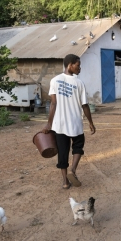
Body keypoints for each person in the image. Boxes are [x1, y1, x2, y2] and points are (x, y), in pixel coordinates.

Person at [42, 54, 96, 189]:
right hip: (75, 123)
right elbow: (85, 105)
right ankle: (73, 170)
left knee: (62, 152)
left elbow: (53, 104)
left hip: (59, 125)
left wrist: (49, 123)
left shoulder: (55, 80)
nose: (80, 68)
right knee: (78, 146)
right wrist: (91, 122)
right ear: (70, 65)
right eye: (78, 65)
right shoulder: (79, 83)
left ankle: (65, 182)